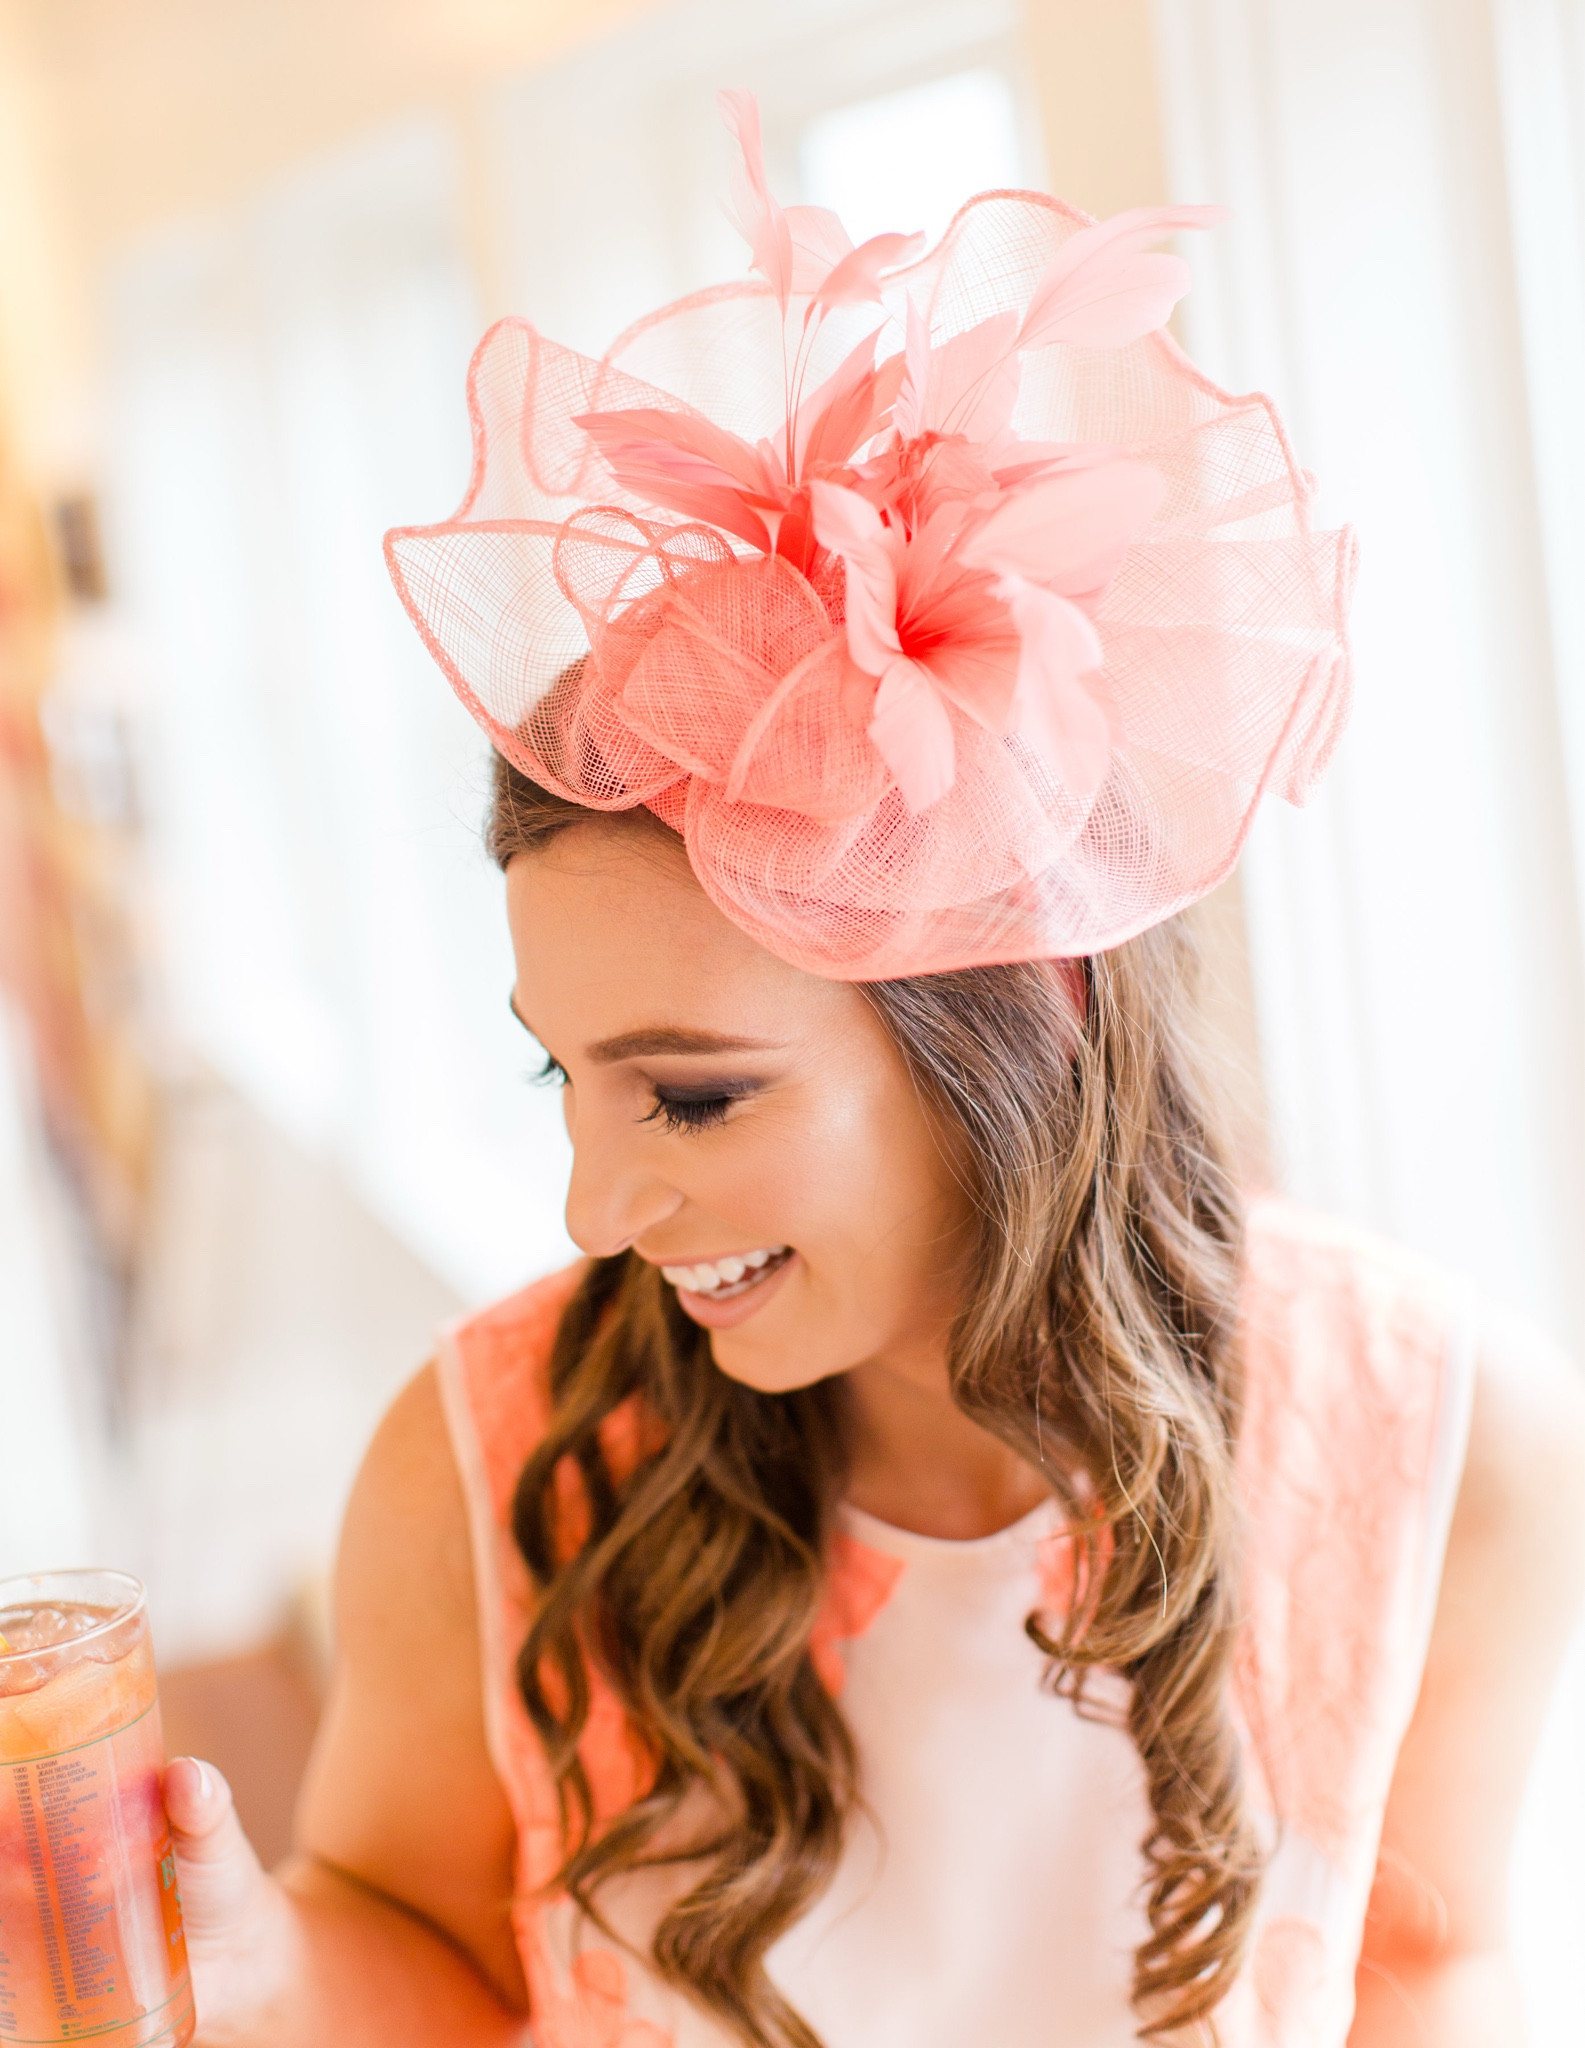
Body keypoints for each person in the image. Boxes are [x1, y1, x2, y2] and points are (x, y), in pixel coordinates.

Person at [164, 92, 1585, 2048]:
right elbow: (414, 1937)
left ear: (1010, 1030)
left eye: (692, 1094)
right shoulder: (487, 1462)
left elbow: (1426, 1958)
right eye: (562, 1078)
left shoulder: (1446, 1449)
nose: (595, 1210)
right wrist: (241, 1961)